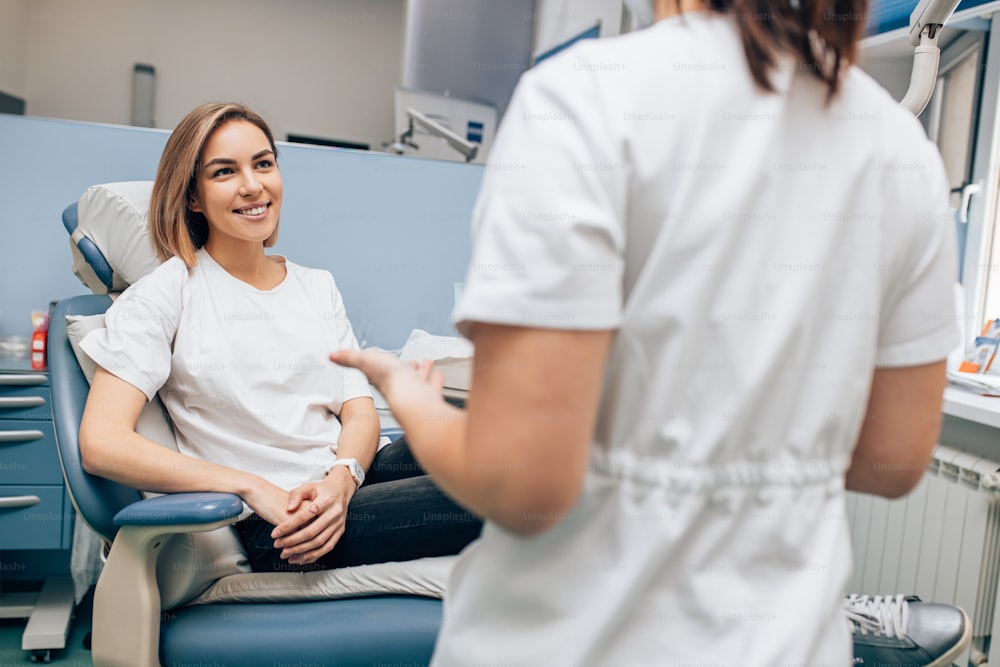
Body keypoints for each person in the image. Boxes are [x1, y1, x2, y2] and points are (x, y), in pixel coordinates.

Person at [330, 0, 959, 664]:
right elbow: (894, 455)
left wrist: (411, 397)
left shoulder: (583, 101)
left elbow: (523, 486)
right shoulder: (898, 148)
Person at [78, 102, 481, 572]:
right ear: (192, 197)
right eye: (224, 172)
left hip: (344, 483)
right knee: (494, 490)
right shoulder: (166, 294)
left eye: (263, 163)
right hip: (280, 523)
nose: (253, 185)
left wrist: (342, 480)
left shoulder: (316, 285)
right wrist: (249, 486)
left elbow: (358, 411)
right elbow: (102, 442)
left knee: (495, 438)